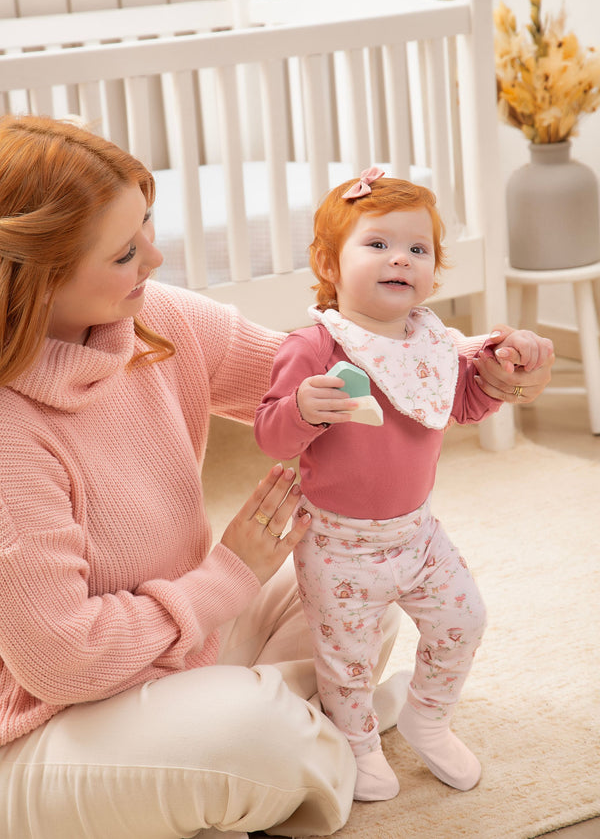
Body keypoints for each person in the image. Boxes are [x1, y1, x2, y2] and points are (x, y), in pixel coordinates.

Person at [0, 121, 553, 839]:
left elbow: (342, 376)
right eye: (127, 251)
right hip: (53, 721)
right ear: (36, 276)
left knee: (359, 581)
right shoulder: (11, 435)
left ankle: (295, 727)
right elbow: (63, 664)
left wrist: (485, 363)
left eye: (148, 229)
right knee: (259, 733)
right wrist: (228, 574)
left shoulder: (154, 318)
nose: (157, 258)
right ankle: (304, 732)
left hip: (176, 653)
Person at [254, 168, 550, 804]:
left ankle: (428, 716)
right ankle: (357, 742)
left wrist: (502, 365)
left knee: (464, 618)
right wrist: (304, 407)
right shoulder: (315, 345)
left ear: (434, 270)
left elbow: (460, 403)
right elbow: (272, 438)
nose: (401, 259)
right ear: (329, 264)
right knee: (346, 660)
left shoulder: (432, 341)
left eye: (418, 249)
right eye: (378, 244)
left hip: (417, 533)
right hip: (338, 544)